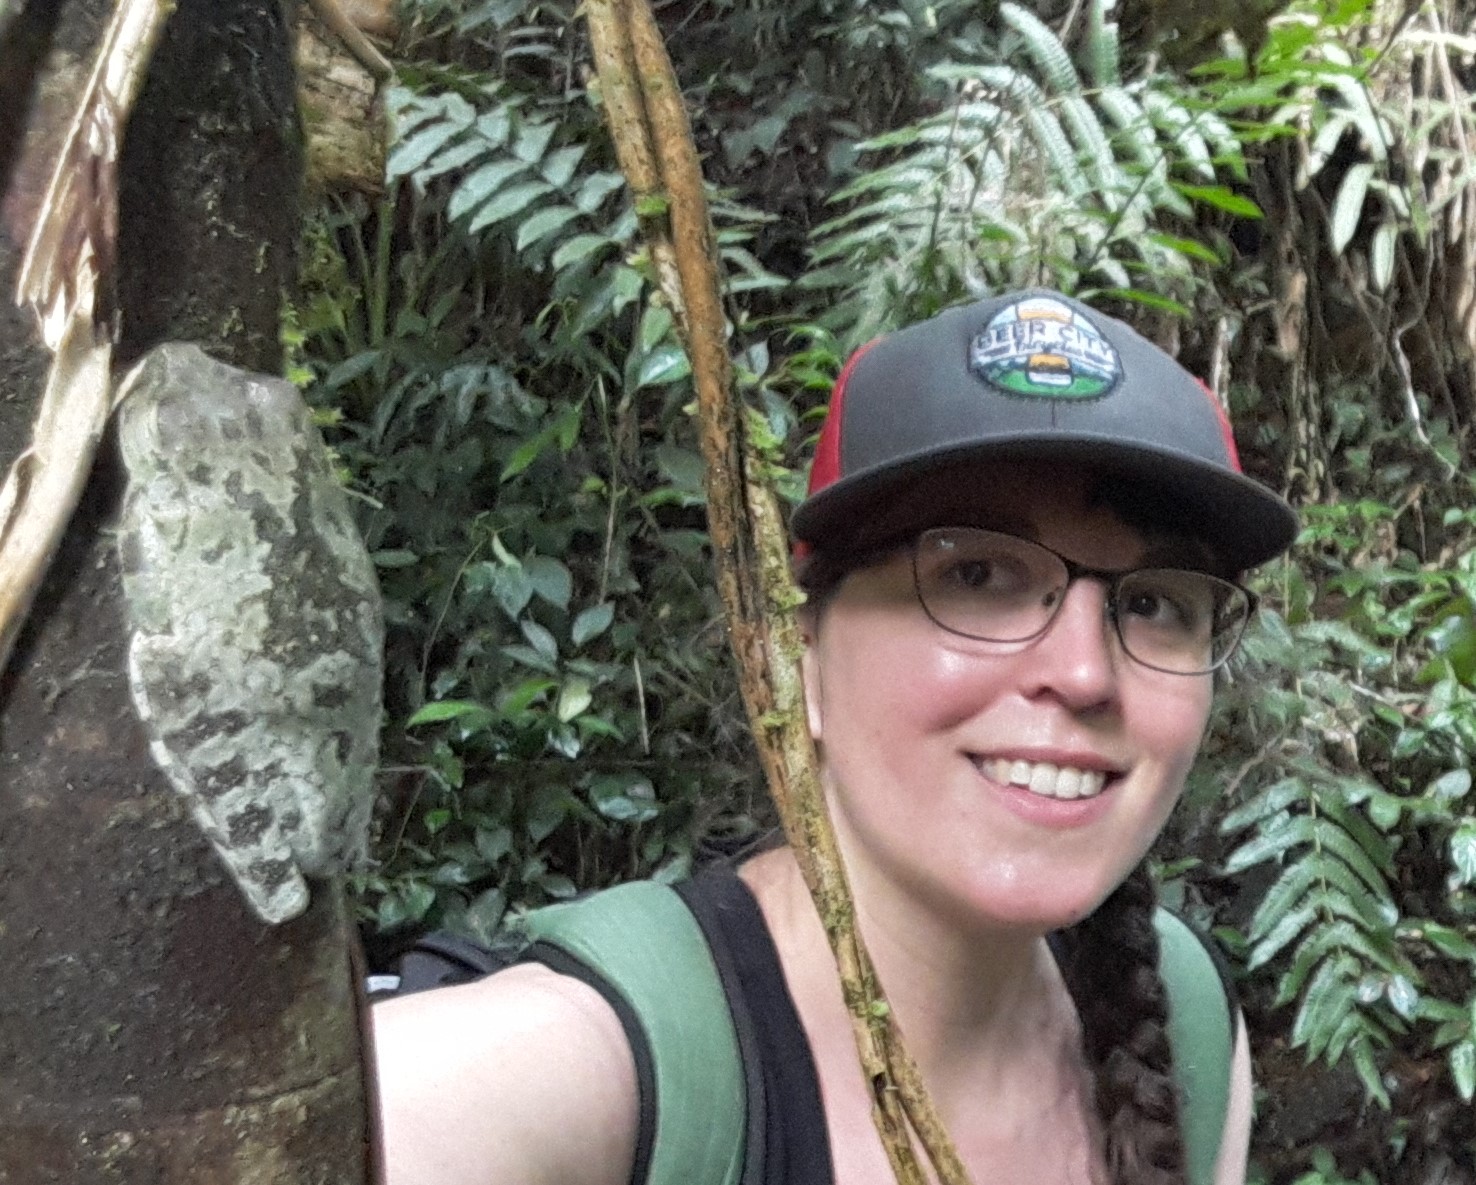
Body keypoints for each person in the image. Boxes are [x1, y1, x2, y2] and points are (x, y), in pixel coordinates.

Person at [372, 288, 1299, 1185]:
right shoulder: (604, 1063)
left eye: (1154, 603)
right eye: (978, 575)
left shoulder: (1188, 1019)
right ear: (799, 660)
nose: (1087, 673)